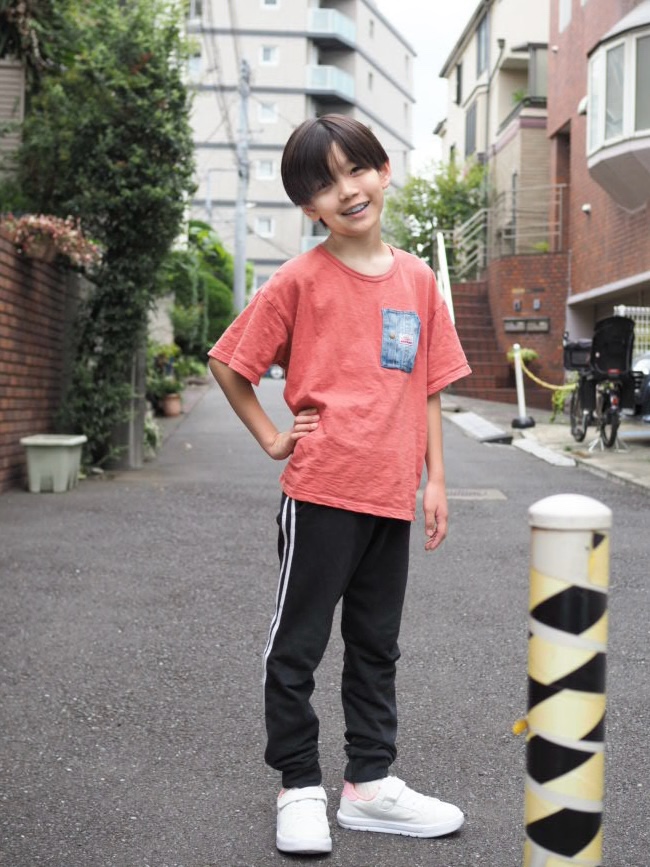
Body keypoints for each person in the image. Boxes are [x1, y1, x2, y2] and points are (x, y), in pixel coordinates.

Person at [207, 114, 471, 856]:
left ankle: (369, 785)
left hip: (390, 494)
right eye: (325, 184)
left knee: (376, 645)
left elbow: (428, 385)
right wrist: (272, 438)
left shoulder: (418, 280)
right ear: (308, 207)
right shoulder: (299, 280)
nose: (347, 190)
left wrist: (436, 480)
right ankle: (298, 786)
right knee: (298, 645)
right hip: (322, 490)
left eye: (356, 170)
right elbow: (229, 361)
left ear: (383, 170)